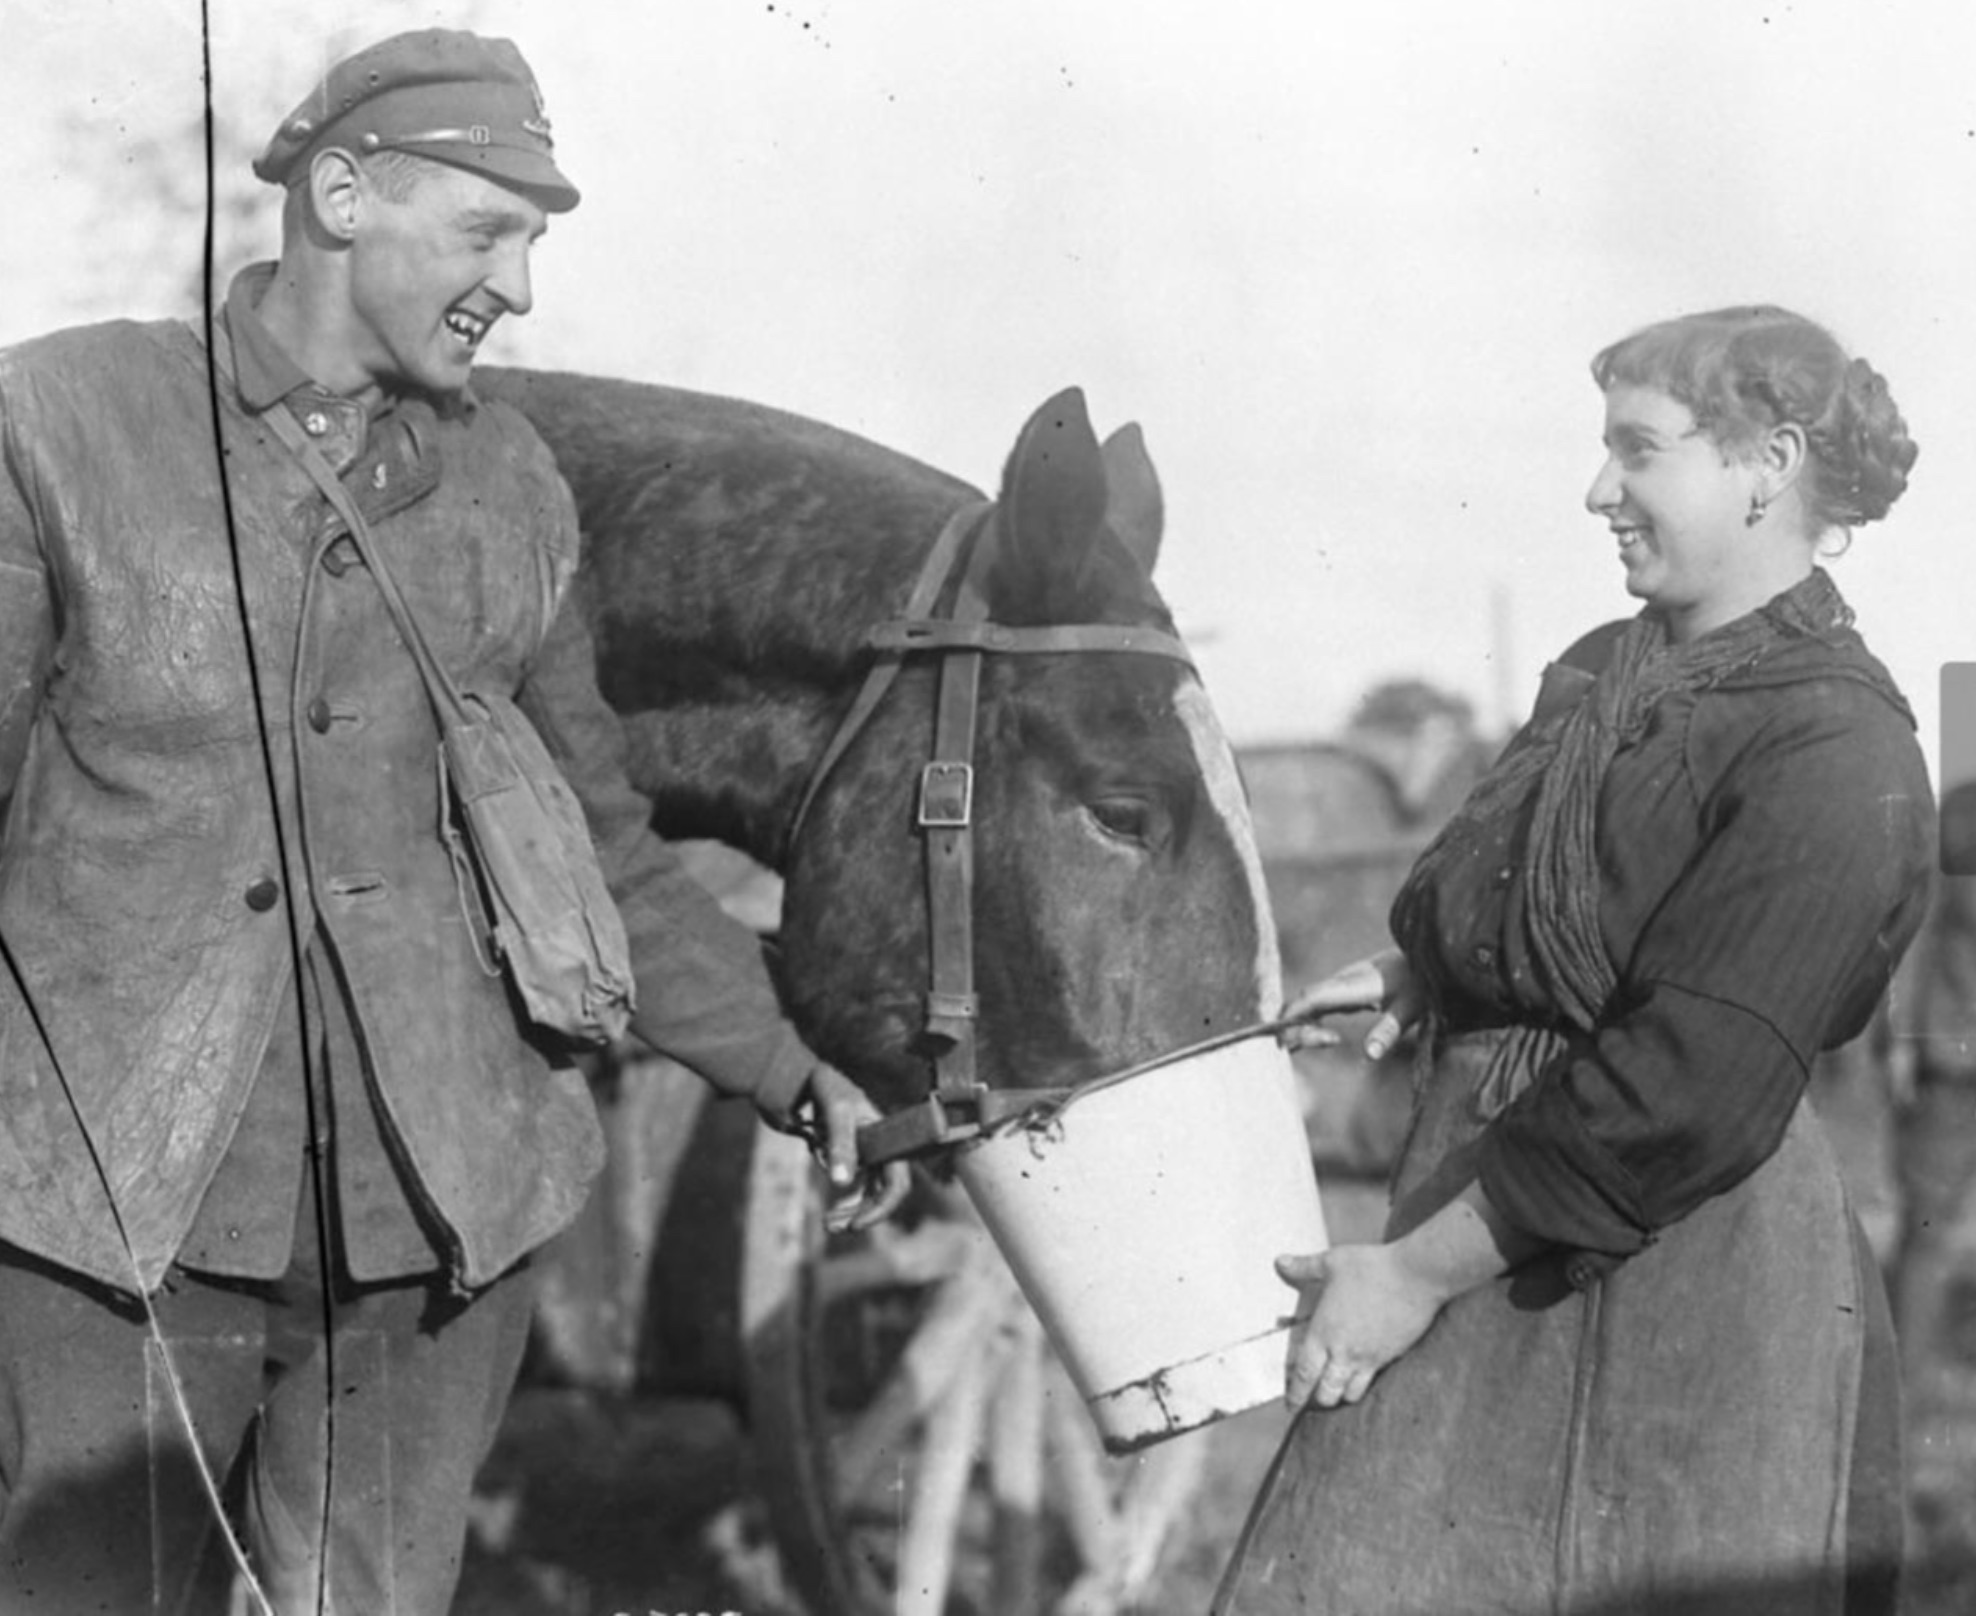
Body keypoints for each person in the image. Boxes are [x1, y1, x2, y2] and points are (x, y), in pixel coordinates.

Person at [0, 28, 904, 1614]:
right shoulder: (55, 431)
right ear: (341, 197)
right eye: (490, 231)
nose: (523, 287)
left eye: (538, 243)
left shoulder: (516, 490)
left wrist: (783, 1064)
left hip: (443, 1225)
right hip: (109, 1220)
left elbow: (603, 843)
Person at [1213, 306, 1933, 1615]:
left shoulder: (1840, 750)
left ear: (1766, 463)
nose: (1598, 488)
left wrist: (1417, 1276)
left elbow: (1695, 1080)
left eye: (1639, 451)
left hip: (1678, 1272)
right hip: (1480, 1215)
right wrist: (1419, 969)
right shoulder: (1607, 670)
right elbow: (1520, 871)